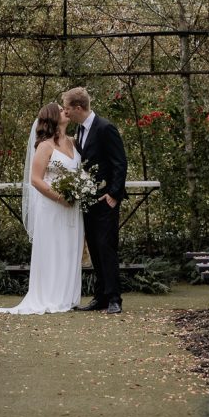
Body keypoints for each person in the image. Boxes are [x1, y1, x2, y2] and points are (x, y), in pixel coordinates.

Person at [0, 101, 83, 315]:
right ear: (53, 117)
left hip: (73, 207)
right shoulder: (44, 146)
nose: (66, 111)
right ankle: (50, 296)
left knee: (71, 248)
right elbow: (35, 180)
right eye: (61, 110)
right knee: (53, 249)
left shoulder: (73, 142)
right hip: (52, 206)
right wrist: (61, 198)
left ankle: (67, 297)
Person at [62, 86, 127, 314]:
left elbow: (120, 163)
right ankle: (100, 297)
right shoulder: (80, 131)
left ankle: (114, 299)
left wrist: (113, 194)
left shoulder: (105, 127)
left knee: (106, 248)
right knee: (95, 250)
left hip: (105, 200)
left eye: (68, 108)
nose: (65, 112)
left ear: (78, 108)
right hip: (87, 200)